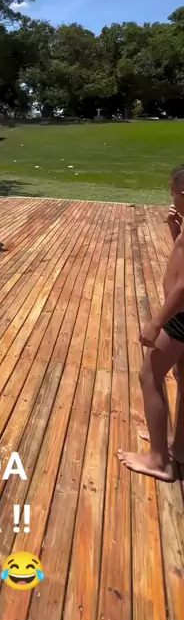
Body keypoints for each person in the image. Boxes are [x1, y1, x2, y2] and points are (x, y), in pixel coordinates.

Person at [118, 167, 184, 481]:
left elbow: (183, 286)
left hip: (179, 318)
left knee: (150, 375)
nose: (172, 199)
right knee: (182, 378)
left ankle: (159, 460)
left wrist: (157, 323)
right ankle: (178, 446)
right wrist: (175, 231)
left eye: (174, 193)